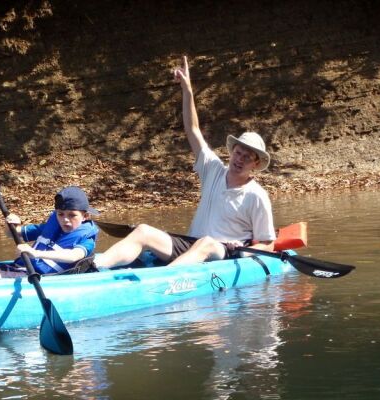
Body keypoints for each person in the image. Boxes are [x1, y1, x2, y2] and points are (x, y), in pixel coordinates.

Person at [93, 56, 276, 269]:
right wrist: (187, 90)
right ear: (232, 152)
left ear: (255, 164)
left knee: (207, 243)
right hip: (191, 246)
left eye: (247, 157)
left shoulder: (257, 196)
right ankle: (94, 267)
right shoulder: (213, 169)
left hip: (223, 252)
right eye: (238, 152)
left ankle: (165, 278)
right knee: (142, 230)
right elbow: (193, 130)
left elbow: (268, 244)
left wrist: (244, 254)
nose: (240, 159)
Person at [0, 186, 100, 279]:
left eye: (72, 215)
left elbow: (73, 256)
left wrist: (36, 253)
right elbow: (11, 233)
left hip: (41, 277)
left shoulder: (87, 239)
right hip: (22, 269)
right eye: (60, 214)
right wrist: (11, 224)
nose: (65, 219)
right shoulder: (49, 228)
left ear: (85, 216)